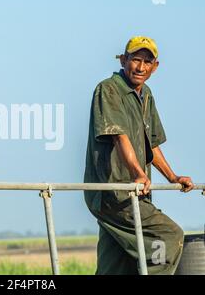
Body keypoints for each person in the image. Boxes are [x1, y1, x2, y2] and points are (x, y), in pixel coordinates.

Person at [83, 36, 194, 275]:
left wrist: (173, 177)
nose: (141, 67)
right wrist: (138, 173)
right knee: (168, 235)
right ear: (123, 60)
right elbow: (119, 136)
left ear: (155, 66)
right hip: (113, 194)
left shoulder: (146, 95)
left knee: (116, 264)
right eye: (135, 59)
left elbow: (151, 145)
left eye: (147, 61)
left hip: (134, 194)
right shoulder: (109, 89)